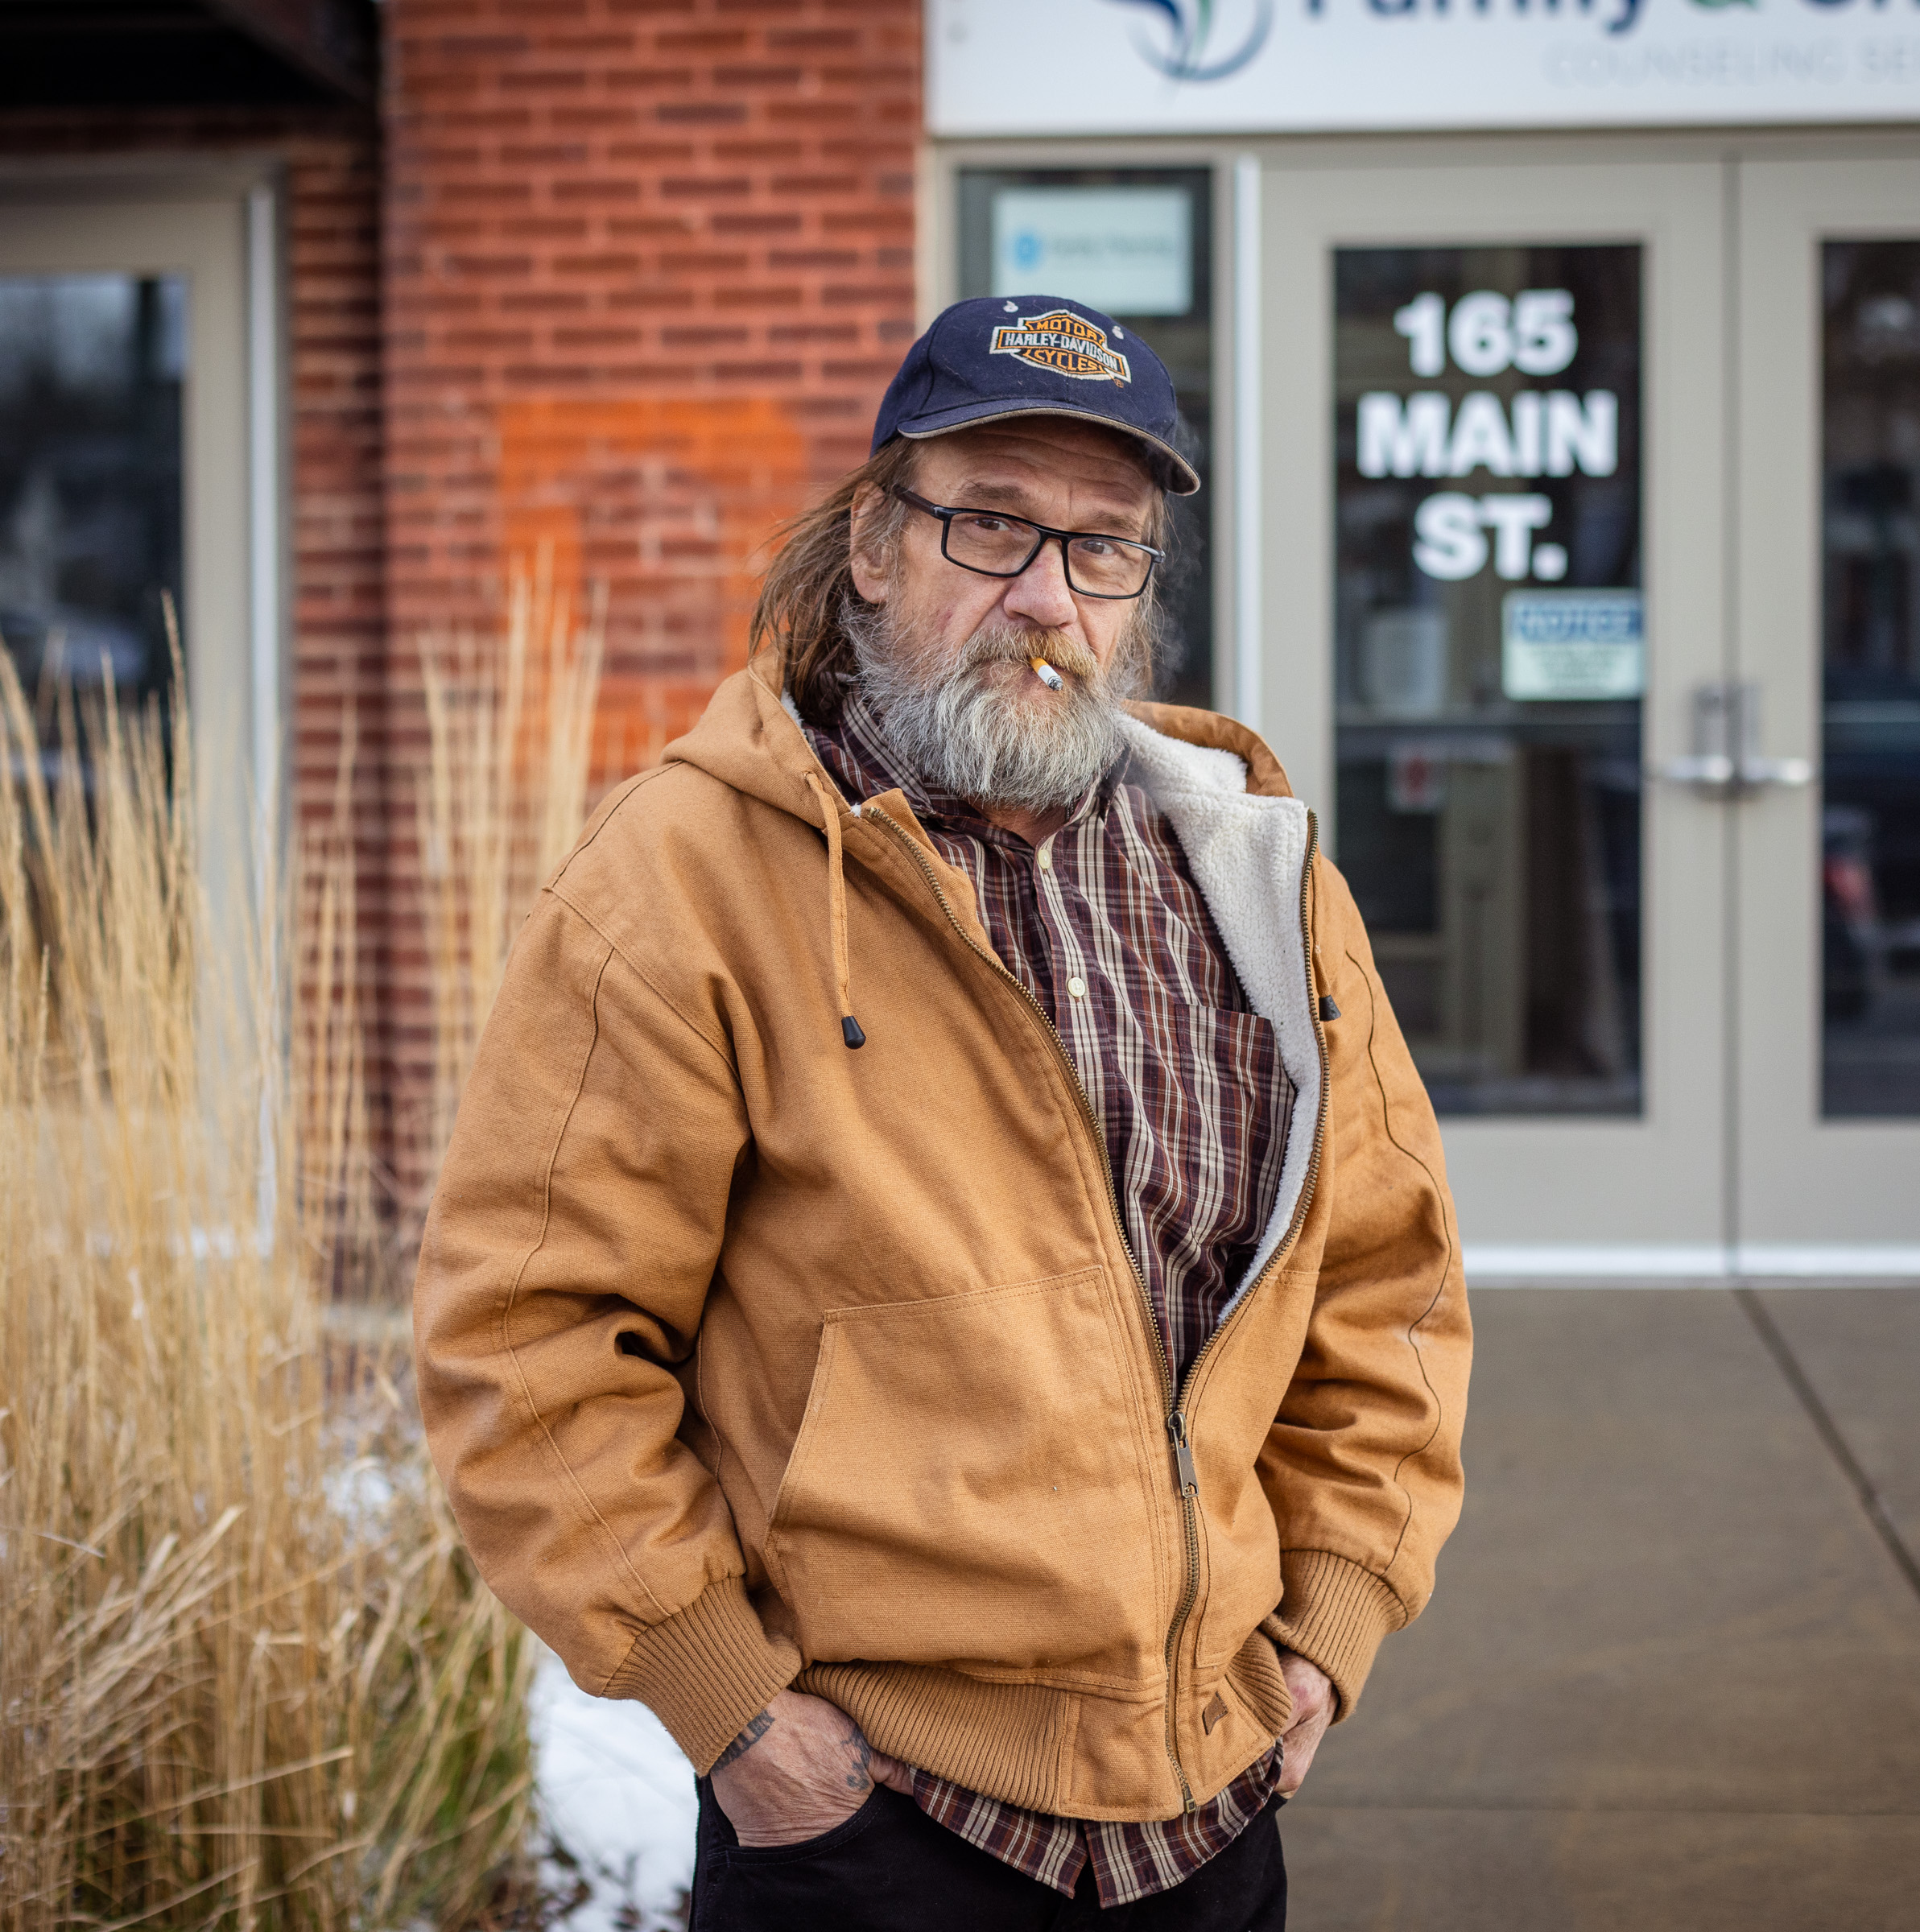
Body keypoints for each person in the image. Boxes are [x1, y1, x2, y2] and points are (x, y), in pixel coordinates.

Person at [413, 293, 1472, 1930]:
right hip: (873, 1827)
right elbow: (528, 1337)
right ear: (874, 544)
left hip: (1214, 1809)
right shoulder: (684, 884)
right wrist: (742, 1721)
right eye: (992, 524)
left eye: (1102, 547)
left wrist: (1330, 1622)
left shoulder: (1254, 873)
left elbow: (1386, 1282)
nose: (1044, 595)